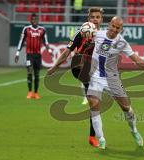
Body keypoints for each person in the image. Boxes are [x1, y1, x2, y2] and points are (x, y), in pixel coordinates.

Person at [86, 16, 144, 149]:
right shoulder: (98, 34)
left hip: (112, 79)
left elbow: (136, 59)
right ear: (109, 24)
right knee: (94, 105)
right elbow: (83, 42)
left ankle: (134, 131)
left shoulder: (122, 43)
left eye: (118, 28)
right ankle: (101, 138)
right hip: (96, 77)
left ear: (121, 29)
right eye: (113, 26)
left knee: (126, 108)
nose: (115, 30)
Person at [47, 7, 104, 147]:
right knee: (94, 101)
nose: (95, 20)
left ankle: (93, 137)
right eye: (92, 17)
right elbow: (67, 52)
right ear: (88, 19)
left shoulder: (104, 35)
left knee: (95, 104)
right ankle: (94, 137)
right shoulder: (80, 33)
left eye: (98, 17)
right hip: (79, 68)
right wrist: (55, 67)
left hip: (94, 69)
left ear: (101, 19)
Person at [15, 13, 52, 99]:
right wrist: (17, 53)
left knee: (37, 74)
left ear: (38, 20)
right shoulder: (26, 29)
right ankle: (29, 92)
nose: (34, 21)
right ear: (30, 20)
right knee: (29, 72)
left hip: (38, 56)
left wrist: (49, 51)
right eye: (33, 19)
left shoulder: (42, 30)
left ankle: (36, 93)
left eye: (36, 19)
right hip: (29, 55)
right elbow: (21, 41)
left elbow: (45, 42)